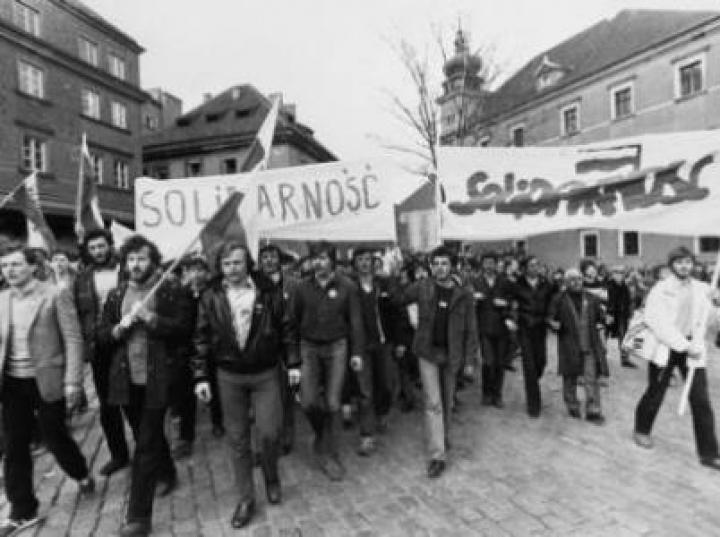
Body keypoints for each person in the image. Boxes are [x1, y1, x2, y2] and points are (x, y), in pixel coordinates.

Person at [194, 242, 296, 529]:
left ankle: (271, 475)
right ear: (220, 267)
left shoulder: (268, 291)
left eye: (237, 263)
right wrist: (201, 376)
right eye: (226, 264)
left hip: (265, 373)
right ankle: (246, 498)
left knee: (269, 433)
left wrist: (294, 364)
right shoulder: (210, 295)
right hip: (229, 376)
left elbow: (286, 327)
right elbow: (201, 337)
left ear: (247, 263)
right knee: (237, 439)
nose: (232, 269)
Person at [99, 235, 192, 537]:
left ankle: (138, 517)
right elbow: (100, 334)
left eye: (141, 258)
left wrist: (151, 318)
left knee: (145, 445)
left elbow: (183, 330)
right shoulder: (116, 295)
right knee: (144, 435)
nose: (135, 264)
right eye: (131, 259)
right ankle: (167, 472)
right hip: (126, 379)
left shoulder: (170, 289)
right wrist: (116, 330)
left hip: (159, 377)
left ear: (152, 260)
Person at [0, 243, 94, 537]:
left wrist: (73, 381)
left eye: (15, 265)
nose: (9, 271)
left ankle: (79, 472)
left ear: (32, 267)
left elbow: (73, 339)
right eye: (4, 266)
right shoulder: (2, 299)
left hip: (48, 379)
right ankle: (22, 509)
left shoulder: (55, 294)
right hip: (13, 383)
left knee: (54, 435)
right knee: (14, 445)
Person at [633, 246, 720, 470]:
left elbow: (708, 321)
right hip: (666, 346)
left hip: (693, 347)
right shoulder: (661, 289)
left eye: (688, 262)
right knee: (656, 391)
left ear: (694, 264)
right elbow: (657, 322)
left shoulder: (702, 288)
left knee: (700, 399)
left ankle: (709, 453)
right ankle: (642, 429)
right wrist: (683, 345)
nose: (684, 266)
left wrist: (714, 304)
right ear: (672, 265)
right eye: (680, 262)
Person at [396, 246, 478, 478]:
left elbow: (472, 329)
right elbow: (399, 298)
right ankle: (437, 455)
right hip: (428, 352)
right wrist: (394, 275)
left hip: (452, 354)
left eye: (444, 263)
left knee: (447, 400)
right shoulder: (422, 287)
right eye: (436, 263)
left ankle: (443, 437)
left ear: (452, 266)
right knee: (433, 402)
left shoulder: (464, 293)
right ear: (430, 266)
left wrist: (470, 360)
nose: (440, 268)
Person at [288, 241, 364, 481]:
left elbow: (356, 322)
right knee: (308, 401)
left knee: (333, 403)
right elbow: (292, 322)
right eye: (314, 258)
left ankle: (330, 455)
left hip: (337, 346)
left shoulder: (348, 286)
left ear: (332, 260)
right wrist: (293, 358)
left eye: (322, 258)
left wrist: (357, 353)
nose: (318, 263)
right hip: (308, 347)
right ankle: (321, 434)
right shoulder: (301, 288)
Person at [74, 229, 130, 476]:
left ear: (110, 245)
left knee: (132, 400)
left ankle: (151, 454)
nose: (98, 251)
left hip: (125, 342)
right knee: (107, 406)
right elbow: (79, 313)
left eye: (101, 246)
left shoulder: (125, 270)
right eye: (93, 248)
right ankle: (119, 455)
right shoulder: (83, 277)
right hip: (99, 347)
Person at [349, 247, 398, 455]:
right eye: (360, 260)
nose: (364, 263)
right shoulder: (350, 288)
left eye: (368, 259)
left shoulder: (384, 284)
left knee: (386, 385)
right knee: (365, 391)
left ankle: (383, 412)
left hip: (383, 343)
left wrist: (399, 340)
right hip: (361, 347)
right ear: (355, 264)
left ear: (373, 262)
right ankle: (367, 435)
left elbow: (396, 310)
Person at [548, 269, 607, 424]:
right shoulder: (559, 299)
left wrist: (605, 318)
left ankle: (593, 410)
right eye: (572, 279)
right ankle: (572, 405)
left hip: (589, 343)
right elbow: (550, 317)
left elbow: (601, 316)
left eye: (579, 279)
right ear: (566, 282)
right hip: (569, 344)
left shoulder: (591, 298)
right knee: (569, 376)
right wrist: (553, 324)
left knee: (591, 377)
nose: (576, 282)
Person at [170, 256, 211, 460]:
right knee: (185, 394)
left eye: (200, 269)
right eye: (191, 270)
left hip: (209, 347)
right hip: (184, 350)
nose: (196, 274)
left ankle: (220, 420)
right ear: (184, 273)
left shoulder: (212, 292)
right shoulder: (177, 294)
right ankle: (186, 437)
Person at [258, 244, 297, 455]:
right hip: (263, 347)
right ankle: (267, 439)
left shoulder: (293, 284)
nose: (269, 260)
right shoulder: (253, 284)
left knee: (285, 394)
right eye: (265, 257)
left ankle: (286, 435)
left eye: (273, 256)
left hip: (287, 346)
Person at [509, 255, 554, 418]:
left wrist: (552, 317)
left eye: (537, 265)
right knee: (529, 366)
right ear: (525, 268)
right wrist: (510, 318)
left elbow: (555, 301)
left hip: (541, 328)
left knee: (541, 362)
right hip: (525, 328)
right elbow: (510, 303)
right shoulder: (517, 285)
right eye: (532, 265)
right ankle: (534, 404)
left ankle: (535, 379)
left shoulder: (546, 285)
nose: (536, 268)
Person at [470, 252, 512, 408]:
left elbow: (512, 300)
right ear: (482, 265)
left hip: (501, 327)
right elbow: (468, 301)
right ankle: (486, 393)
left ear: (496, 264)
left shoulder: (504, 281)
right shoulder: (476, 281)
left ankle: (497, 394)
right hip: (484, 326)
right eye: (486, 262)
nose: (488, 266)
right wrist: (474, 298)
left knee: (500, 362)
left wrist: (505, 303)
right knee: (488, 361)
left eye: (491, 263)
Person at [607, 265, 636, 368]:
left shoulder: (624, 286)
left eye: (621, 273)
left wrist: (629, 313)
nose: (619, 276)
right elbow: (607, 301)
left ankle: (625, 359)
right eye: (617, 273)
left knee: (624, 337)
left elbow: (628, 301)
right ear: (612, 275)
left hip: (622, 316)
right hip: (609, 315)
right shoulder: (608, 286)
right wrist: (608, 314)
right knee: (603, 337)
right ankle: (600, 360)